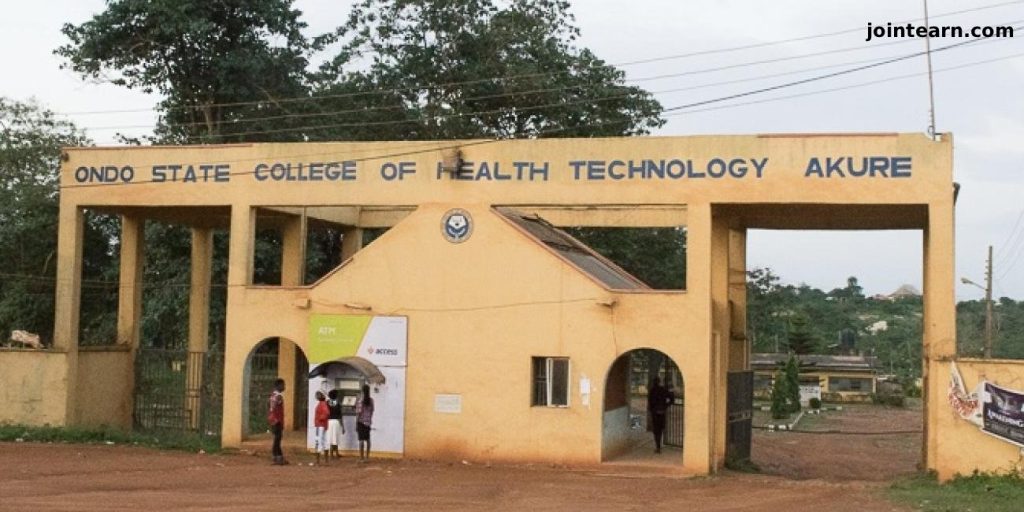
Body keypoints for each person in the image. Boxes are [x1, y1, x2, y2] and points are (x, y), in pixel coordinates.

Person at [647, 376, 674, 454]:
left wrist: (651, 410)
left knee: (656, 430)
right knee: (660, 429)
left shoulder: (652, 391)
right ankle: (659, 445)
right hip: (661, 412)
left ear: (653, 382)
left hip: (655, 413)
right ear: (659, 382)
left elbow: (650, 403)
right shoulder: (663, 390)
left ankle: (658, 446)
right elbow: (672, 399)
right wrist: (666, 405)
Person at [268, 378, 287, 465]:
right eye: (283, 385)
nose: (284, 387)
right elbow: (275, 408)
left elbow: (270, 407)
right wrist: (276, 418)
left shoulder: (272, 395)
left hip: (273, 419)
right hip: (277, 420)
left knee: (277, 438)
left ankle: (279, 456)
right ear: (278, 386)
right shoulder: (278, 396)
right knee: (277, 439)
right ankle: (276, 456)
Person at [356, 383, 375, 462]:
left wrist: (356, 423)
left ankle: (361, 458)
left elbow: (358, 413)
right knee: (368, 439)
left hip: (361, 421)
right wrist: (369, 419)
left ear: (362, 391)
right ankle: (367, 457)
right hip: (368, 422)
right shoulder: (371, 400)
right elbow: (372, 410)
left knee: (361, 440)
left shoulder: (360, 401)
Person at [327, 389, 346, 459]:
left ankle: (332, 453)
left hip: (329, 422)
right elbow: (340, 416)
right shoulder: (338, 404)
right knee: (336, 438)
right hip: (336, 422)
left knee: (331, 438)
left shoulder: (327, 403)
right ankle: (335, 454)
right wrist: (343, 426)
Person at [313, 391, 330, 465]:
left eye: (318, 395)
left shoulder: (322, 404)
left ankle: (318, 461)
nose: (317, 396)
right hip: (323, 425)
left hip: (320, 425)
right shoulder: (323, 403)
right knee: (324, 441)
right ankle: (326, 461)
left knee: (318, 442)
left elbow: (327, 413)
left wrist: (320, 418)